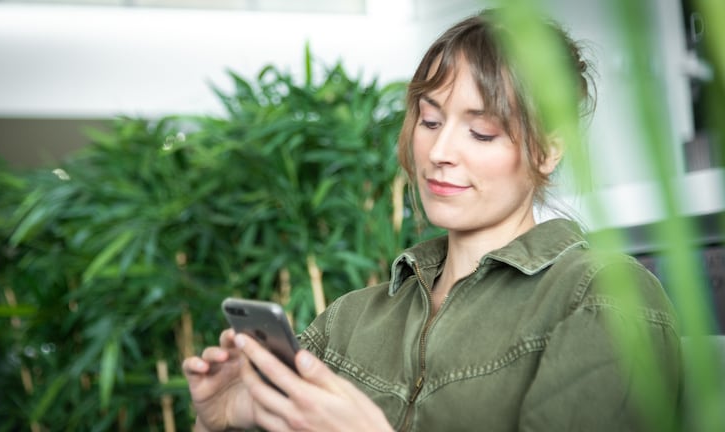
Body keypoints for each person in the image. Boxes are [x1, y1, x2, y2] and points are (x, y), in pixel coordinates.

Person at [183, 8, 682, 432]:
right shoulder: (347, 321)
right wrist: (220, 420)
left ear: (547, 151)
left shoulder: (602, 298)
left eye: (481, 132)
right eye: (430, 121)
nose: (440, 151)